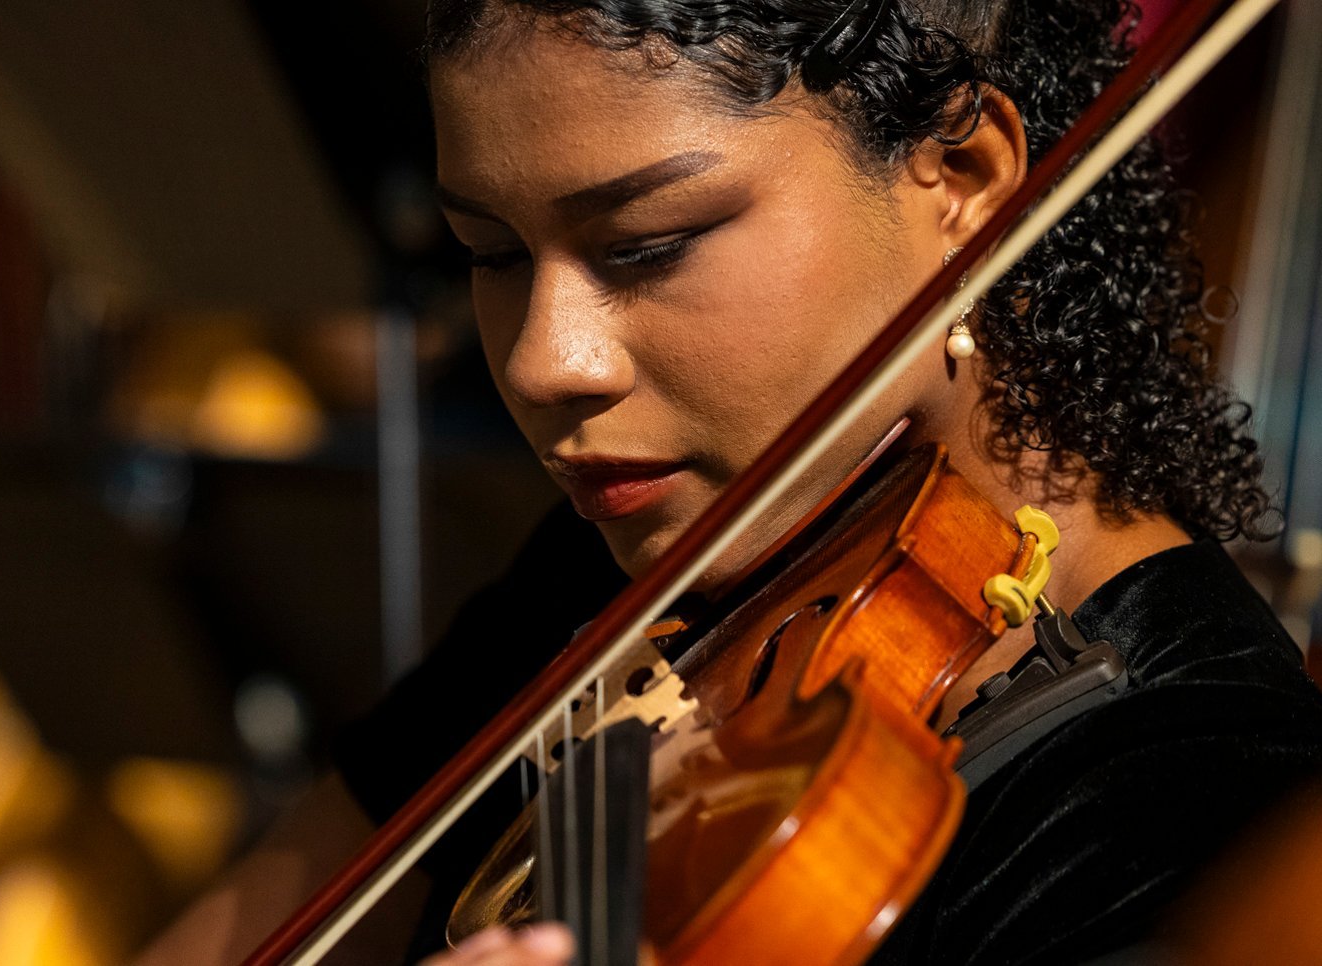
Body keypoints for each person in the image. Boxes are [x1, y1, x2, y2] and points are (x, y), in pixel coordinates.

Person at [140, 0, 1322, 963]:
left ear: (963, 178)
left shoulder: (1196, 799)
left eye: (646, 243)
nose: (546, 363)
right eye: (491, 254)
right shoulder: (642, 567)